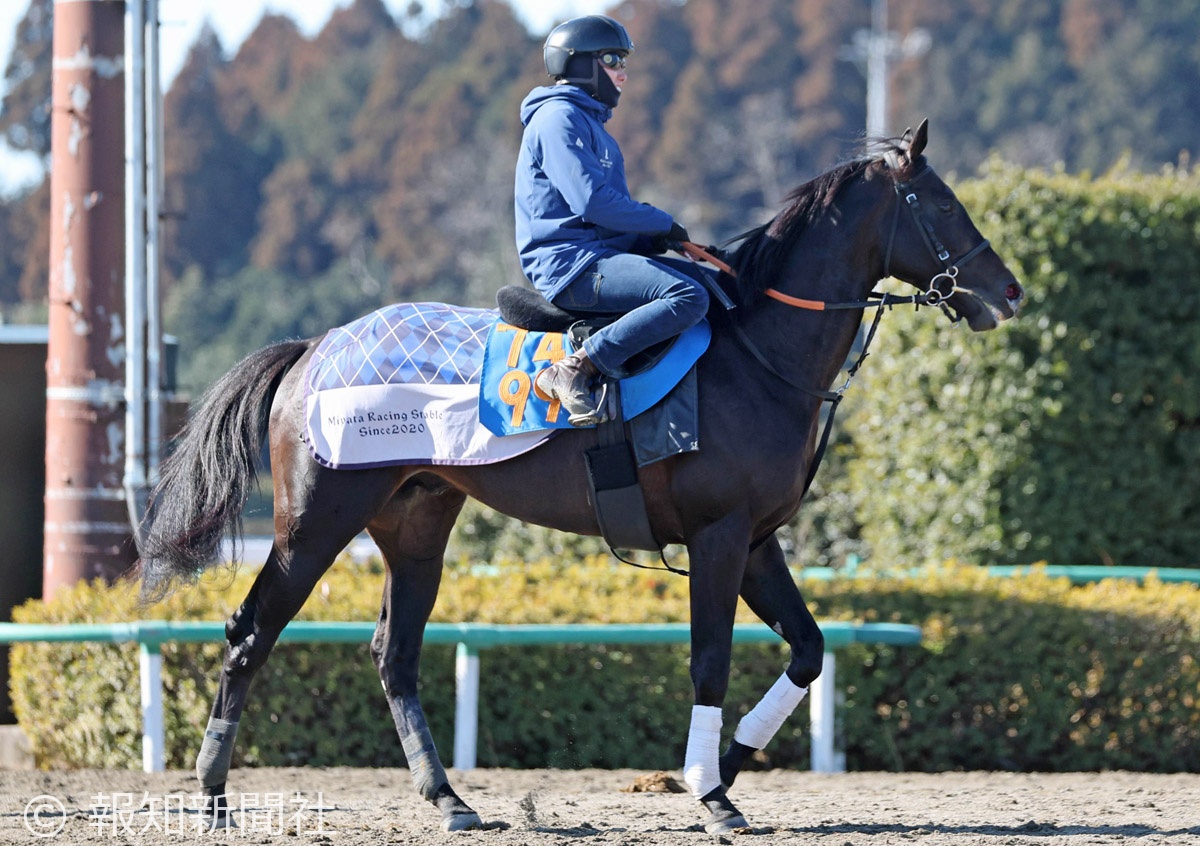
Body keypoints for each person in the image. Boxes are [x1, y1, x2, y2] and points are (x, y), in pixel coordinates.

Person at [514, 14, 712, 427]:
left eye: (623, 61)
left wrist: (655, 241)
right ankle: (577, 367)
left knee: (713, 285)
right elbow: (592, 203)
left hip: (597, 257)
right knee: (687, 297)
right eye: (612, 59)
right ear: (581, 64)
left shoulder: (596, 130)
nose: (623, 73)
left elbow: (609, 220)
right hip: (571, 267)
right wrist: (662, 223)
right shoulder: (558, 119)